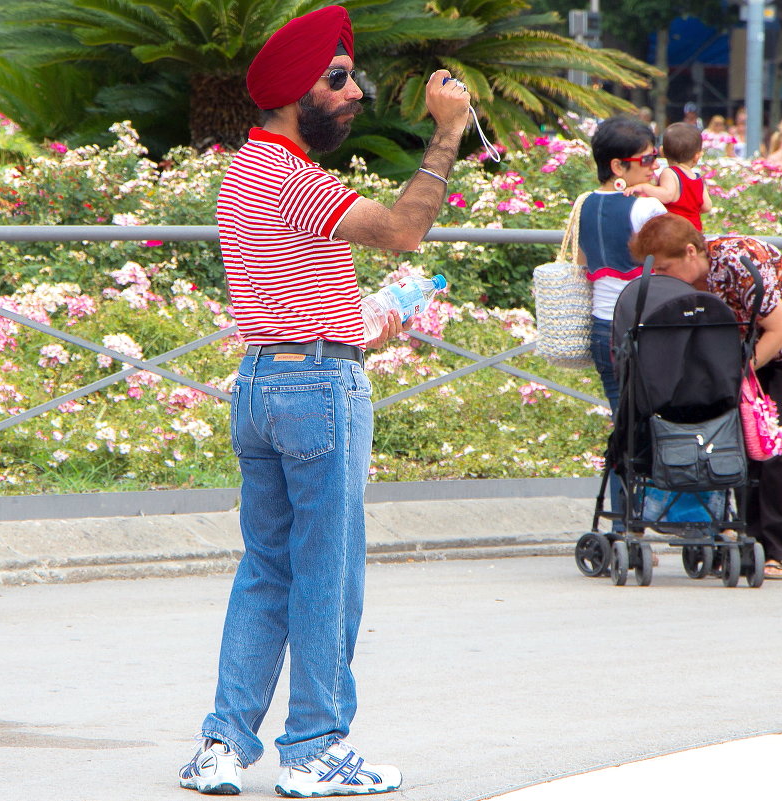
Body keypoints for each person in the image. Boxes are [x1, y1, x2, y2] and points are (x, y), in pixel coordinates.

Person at [178, 6, 471, 797]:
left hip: (263, 380)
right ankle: (312, 749)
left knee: (266, 570)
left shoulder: (247, 171)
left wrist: (362, 320)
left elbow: (293, 287)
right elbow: (405, 229)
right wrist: (447, 132)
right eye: (337, 80)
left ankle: (223, 745)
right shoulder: (295, 176)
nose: (355, 92)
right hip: (315, 388)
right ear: (287, 95)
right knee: (327, 576)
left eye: (353, 78)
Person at [629, 214, 782, 581]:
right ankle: (746, 537)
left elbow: (781, 328)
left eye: (664, 267)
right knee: (739, 432)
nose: (660, 275)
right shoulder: (689, 274)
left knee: (776, 437)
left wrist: (738, 375)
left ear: (691, 252)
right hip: (751, 345)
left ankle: (778, 550)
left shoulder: (739, 260)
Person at [572, 117, 666, 526]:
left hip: (601, 329)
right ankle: (649, 516)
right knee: (654, 427)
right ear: (617, 167)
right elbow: (675, 262)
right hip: (643, 331)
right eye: (646, 158)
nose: (654, 165)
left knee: (622, 424)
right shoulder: (647, 207)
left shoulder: (585, 203)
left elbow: (581, 261)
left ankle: (622, 523)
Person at [626, 122, 712, 231]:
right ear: (697, 156)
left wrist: (644, 187)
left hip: (674, 233)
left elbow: (667, 195)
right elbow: (707, 206)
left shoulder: (670, 173)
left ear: (662, 152)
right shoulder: (698, 178)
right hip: (695, 233)